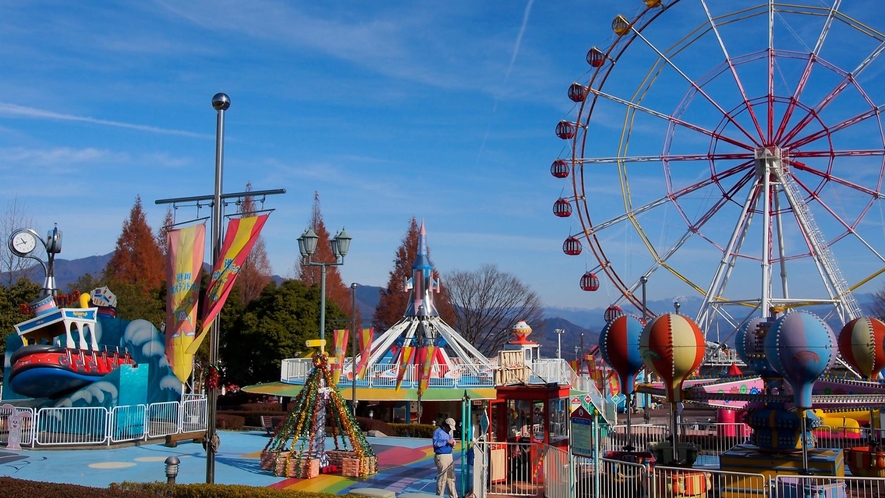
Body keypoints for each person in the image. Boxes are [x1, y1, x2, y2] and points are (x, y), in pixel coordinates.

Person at [433, 417, 458, 498]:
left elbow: (452, 439)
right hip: (441, 456)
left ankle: (454, 496)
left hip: (449, 455)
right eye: (449, 427)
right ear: (446, 425)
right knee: (442, 478)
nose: (450, 429)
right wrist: (446, 442)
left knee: (451, 477)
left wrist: (453, 442)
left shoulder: (449, 432)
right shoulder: (438, 432)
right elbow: (436, 444)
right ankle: (439, 496)